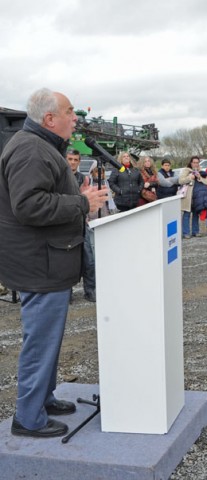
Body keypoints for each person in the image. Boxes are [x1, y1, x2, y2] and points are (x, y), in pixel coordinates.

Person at [0, 88, 108, 438]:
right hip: (39, 263)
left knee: (49, 339)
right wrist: (81, 203)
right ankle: (28, 418)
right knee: (40, 341)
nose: (76, 118)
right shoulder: (31, 150)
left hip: (47, 260)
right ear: (49, 118)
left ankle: (43, 399)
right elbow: (29, 206)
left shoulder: (42, 146)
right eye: (70, 111)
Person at [66, 149, 96, 303]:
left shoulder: (83, 179)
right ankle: (66, 294)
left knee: (89, 260)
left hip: (81, 224)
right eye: (70, 159)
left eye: (75, 159)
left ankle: (90, 290)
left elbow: (88, 200)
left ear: (79, 162)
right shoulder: (59, 177)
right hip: (64, 225)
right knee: (67, 261)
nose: (72, 162)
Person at [179, 156, 207, 238]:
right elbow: (181, 181)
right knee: (187, 214)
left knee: (196, 214)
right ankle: (186, 233)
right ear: (191, 162)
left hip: (198, 197)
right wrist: (190, 177)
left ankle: (195, 231)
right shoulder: (186, 170)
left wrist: (199, 177)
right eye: (194, 162)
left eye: (197, 162)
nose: (196, 164)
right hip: (188, 196)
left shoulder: (201, 171)